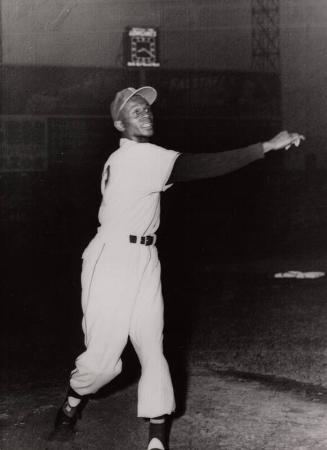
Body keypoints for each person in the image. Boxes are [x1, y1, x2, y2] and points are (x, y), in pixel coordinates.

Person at [54, 86, 304, 450]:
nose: (146, 113)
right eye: (135, 109)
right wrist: (265, 146)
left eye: (148, 108)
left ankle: (157, 442)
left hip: (144, 258)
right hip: (111, 261)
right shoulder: (136, 157)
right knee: (102, 365)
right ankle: (71, 404)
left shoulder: (139, 157)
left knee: (152, 349)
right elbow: (199, 167)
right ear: (118, 122)